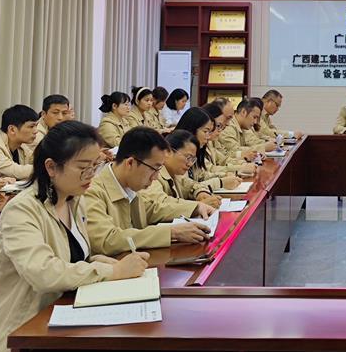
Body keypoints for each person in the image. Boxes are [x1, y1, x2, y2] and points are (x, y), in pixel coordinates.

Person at [0, 121, 149, 352]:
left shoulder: (74, 200)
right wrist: (113, 271)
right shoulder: (22, 210)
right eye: (83, 167)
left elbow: (72, 256)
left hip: (61, 321)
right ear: (51, 167)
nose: (91, 175)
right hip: (20, 338)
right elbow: (44, 273)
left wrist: (97, 261)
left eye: (95, 166)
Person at [84, 127, 209, 255]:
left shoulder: (130, 185)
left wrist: (195, 208)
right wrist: (171, 233)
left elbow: (152, 209)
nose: (155, 177)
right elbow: (107, 240)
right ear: (130, 163)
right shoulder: (92, 192)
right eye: (154, 169)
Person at [140, 129, 220, 215]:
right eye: (188, 157)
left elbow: (192, 185)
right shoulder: (154, 174)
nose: (190, 164)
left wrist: (201, 193)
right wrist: (196, 207)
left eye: (193, 159)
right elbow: (159, 204)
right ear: (168, 152)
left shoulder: (175, 174)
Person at [177, 106, 253, 185]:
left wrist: (228, 174)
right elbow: (187, 187)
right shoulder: (178, 151)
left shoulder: (202, 146)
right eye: (206, 131)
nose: (208, 136)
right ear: (192, 129)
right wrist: (221, 181)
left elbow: (202, 175)